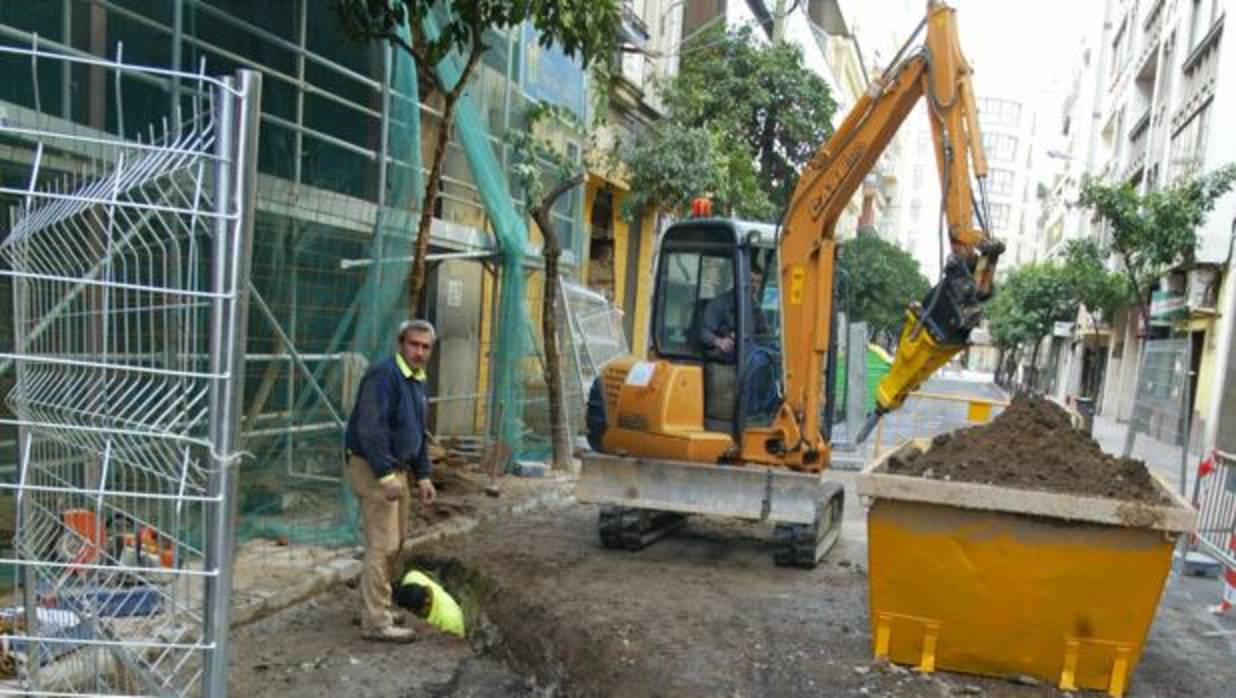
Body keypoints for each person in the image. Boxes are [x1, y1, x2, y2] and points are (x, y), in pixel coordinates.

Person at [344, 319, 439, 643]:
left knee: (393, 544)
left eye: (426, 347)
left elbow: (417, 433)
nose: (419, 352)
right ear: (401, 343)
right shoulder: (385, 375)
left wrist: (423, 475)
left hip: (396, 469)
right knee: (382, 546)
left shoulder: (416, 380)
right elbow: (371, 428)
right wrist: (385, 474)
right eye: (414, 344)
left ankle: (375, 606)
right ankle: (376, 622)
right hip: (373, 469)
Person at [699, 264, 768, 360]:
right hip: (721, 360)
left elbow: (764, 336)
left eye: (758, 282)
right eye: (751, 281)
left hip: (748, 360)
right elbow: (703, 333)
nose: (754, 285)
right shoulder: (719, 304)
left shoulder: (757, 310)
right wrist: (719, 341)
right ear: (740, 280)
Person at [392, 568, 466, 639]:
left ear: (426, 604)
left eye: (415, 613)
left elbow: (455, 643)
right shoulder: (412, 577)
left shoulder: (450, 622)